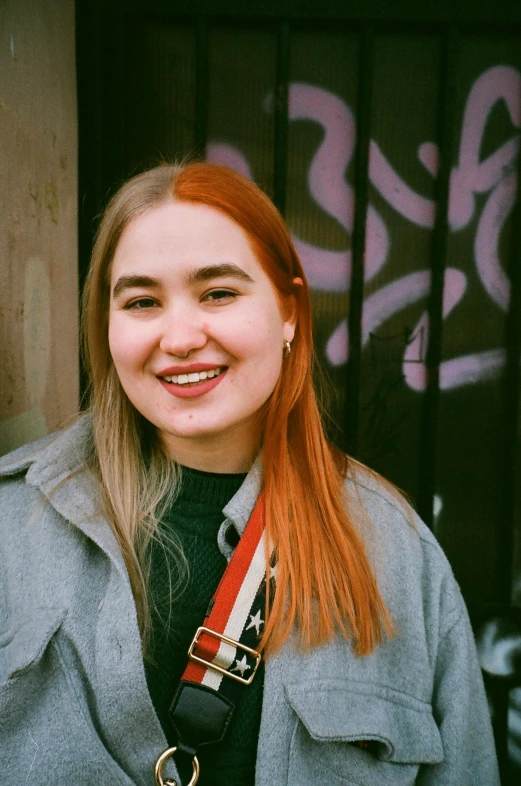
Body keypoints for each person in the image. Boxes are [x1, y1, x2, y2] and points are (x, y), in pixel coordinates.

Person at [0, 162, 499, 786]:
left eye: (218, 293)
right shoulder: (11, 531)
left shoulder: (395, 552)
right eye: (142, 301)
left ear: (289, 310)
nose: (179, 337)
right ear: (107, 323)